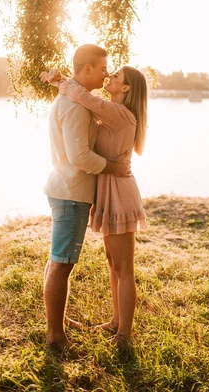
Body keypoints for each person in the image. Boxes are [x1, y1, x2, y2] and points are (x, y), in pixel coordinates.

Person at [41, 62, 148, 346]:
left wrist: (62, 82)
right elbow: (83, 99)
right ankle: (115, 321)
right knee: (113, 263)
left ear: (126, 88)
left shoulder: (120, 114)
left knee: (124, 267)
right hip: (108, 189)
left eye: (115, 76)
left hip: (119, 191)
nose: (108, 76)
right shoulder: (111, 113)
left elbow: (85, 98)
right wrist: (61, 81)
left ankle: (124, 334)